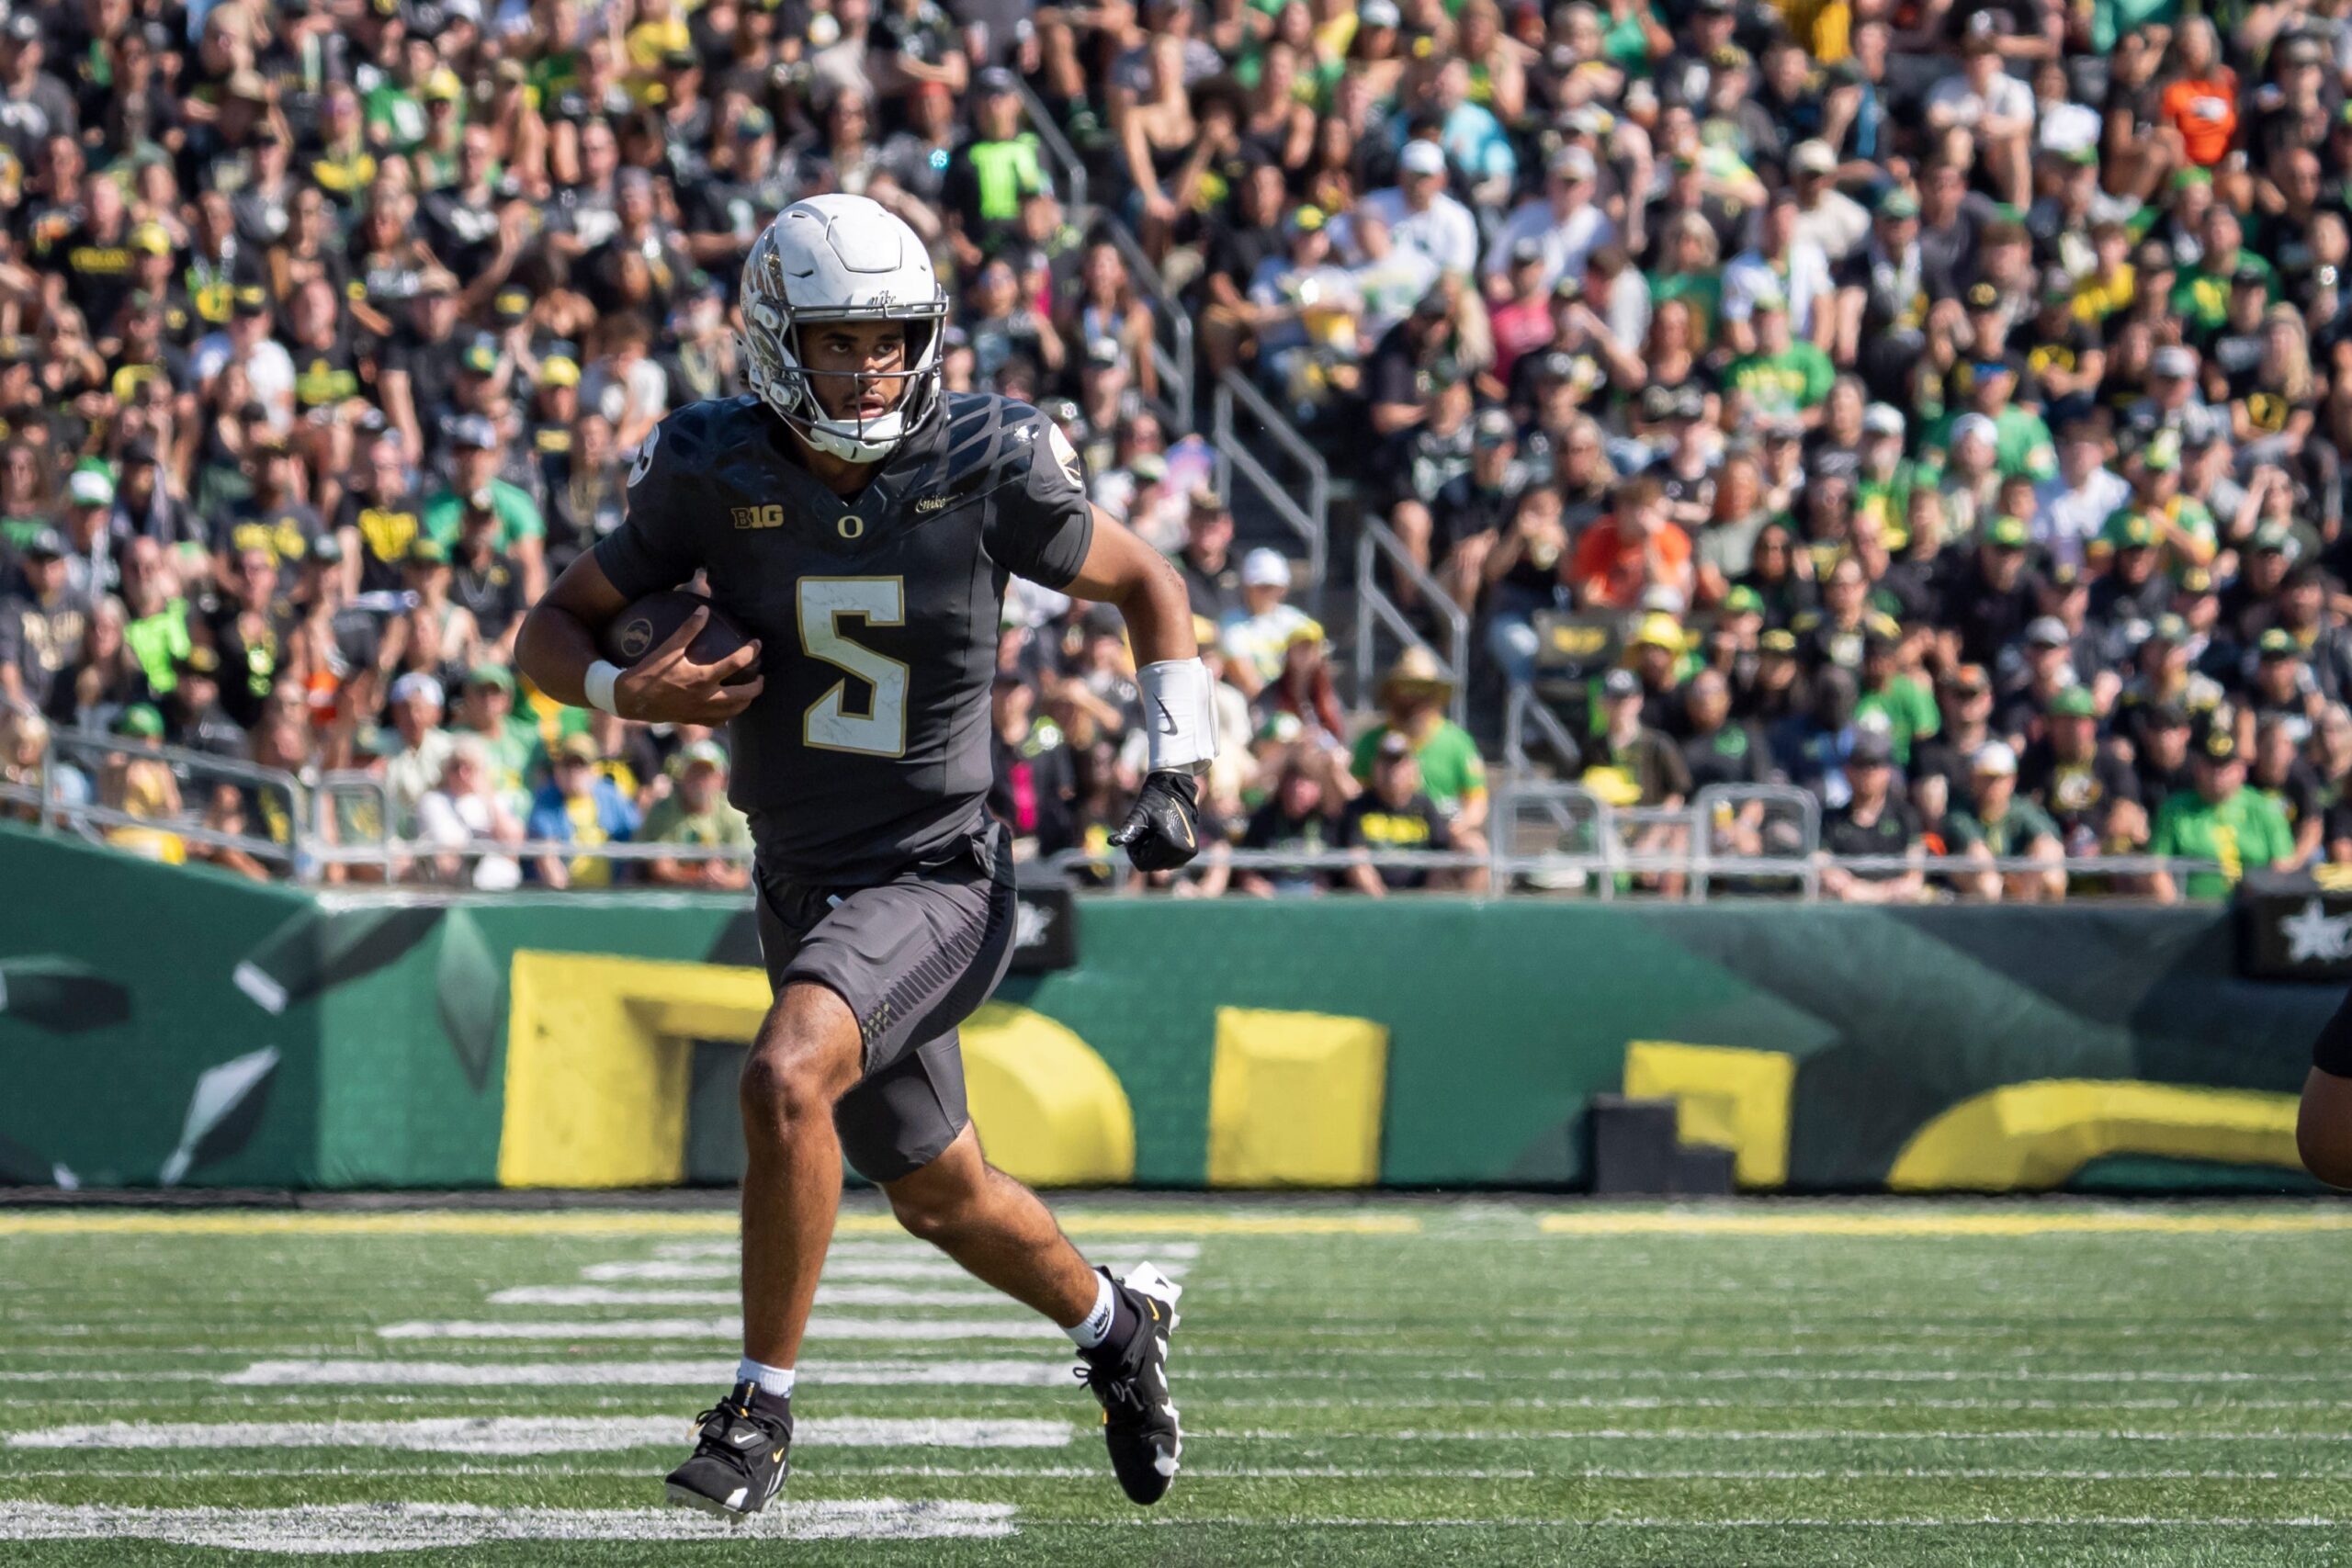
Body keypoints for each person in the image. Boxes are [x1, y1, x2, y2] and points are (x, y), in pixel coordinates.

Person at [514, 196, 1203, 1519]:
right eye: (841, 342)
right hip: (802, 876)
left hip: (940, 868)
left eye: (891, 339)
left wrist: (1175, 768)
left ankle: (758, 1402)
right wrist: (624, 693)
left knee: (786, 1074)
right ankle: (1116, 1322)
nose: (872, 368)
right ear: (779, 342)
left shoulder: (988, 456)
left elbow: (1149, 582)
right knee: (940, 1191)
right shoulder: (711, 468)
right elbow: (551, 626)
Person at [2148, 725, 2296, 902]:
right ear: (2198, 768)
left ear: (2242, 770)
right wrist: (2177, 912)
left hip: (2256, 912)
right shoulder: (2174, 809)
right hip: (2196, 911)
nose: (2218, 773)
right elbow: (2157, 868)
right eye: (2211, 765)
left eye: (2225, 765)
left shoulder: (2265, 808)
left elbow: (2282, 866)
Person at [1340, 732, 1453, 895]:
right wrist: (1384, 903)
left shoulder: (1425, 806)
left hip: (1420, 900)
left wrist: (1425, 901)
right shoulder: (1358, 808)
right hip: (1373, 901)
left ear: (1412, 768)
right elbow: (1357, 859)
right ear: (1375, 766)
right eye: (1386, 763)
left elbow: (1440, 857)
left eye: (1398, 763)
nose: (1392, 771)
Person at [640, 739, 753, 889]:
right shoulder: (663, 811)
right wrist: (697, 877)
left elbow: (743, 874)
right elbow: (660, 869)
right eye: (694, 771)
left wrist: (722, 879)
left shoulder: (734, 816)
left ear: (721, 779)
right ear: (682, 775)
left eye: (707, 773)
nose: (700, 781)